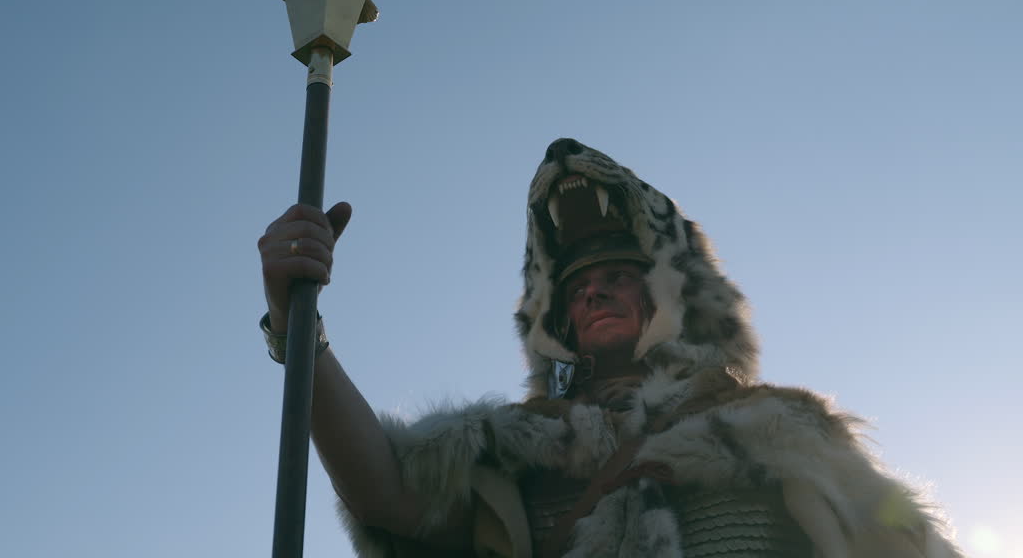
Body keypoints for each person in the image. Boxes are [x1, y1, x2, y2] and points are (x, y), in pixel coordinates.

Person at [258, 137, 962, 557]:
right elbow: (383, 492)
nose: (592, 294)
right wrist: (300, 329)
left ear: (669, 297)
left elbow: (902, 544)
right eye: (578, 288)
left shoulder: (783, 430)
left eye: (616, 277)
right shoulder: (516, 446)